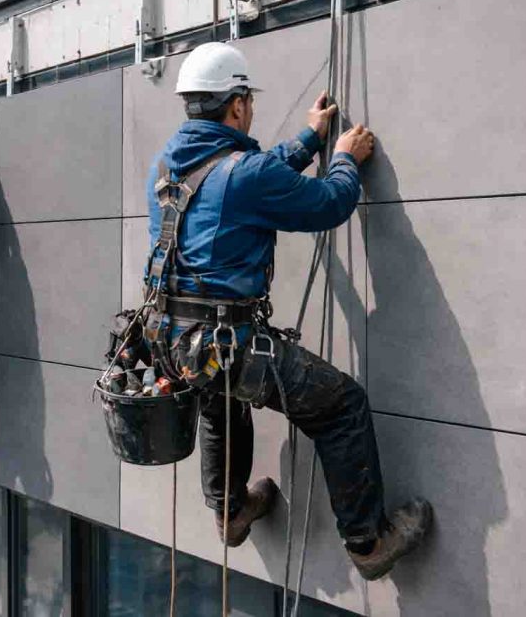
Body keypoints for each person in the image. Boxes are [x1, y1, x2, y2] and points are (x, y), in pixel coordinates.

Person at [143, 42, 432, 580]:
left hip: (172, 335)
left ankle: (230, 513)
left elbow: (243, 176)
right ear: (235, 106)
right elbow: (328, 203)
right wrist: (344, 157)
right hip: (219, 339)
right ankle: (367, 543)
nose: (249, 109)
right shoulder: (241, 174)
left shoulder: (168, 164)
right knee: (340, 405)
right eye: (247, 100)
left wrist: (309, 140)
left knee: (220, 404)